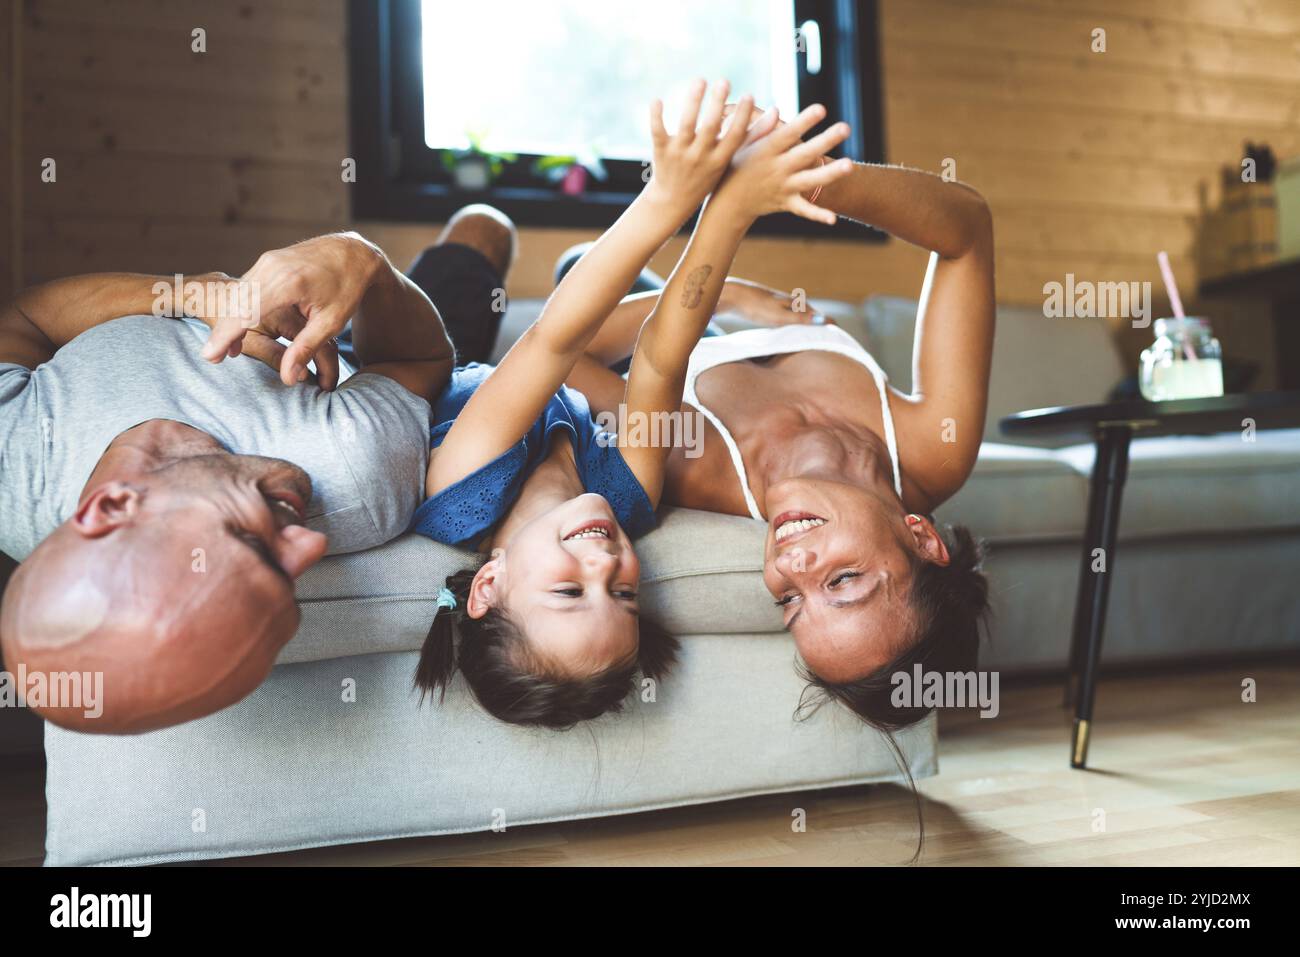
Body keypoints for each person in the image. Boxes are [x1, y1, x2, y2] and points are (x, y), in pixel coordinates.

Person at [409, 80, 854, 729]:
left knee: (486, 225)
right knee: (586, 275)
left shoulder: (461, 492)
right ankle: (584, 261)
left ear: (487, 584)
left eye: (569, 590)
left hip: (445, 355)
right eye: (622, 593)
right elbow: (656, 359)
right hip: (556, 370)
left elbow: (552, 340)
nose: (605, 563)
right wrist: (725, 215)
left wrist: (668, 196)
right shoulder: (628, 494)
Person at [567, 116, 996, 736]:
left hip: (642, 333)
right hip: (699, 304)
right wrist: (794, 178)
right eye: (842, 580)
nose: (791, 565)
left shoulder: (698, 467)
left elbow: (566, 352)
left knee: (581, 261)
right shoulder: (936, 450)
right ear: (923, 540)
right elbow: (966, 231)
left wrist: (730, 272)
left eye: (790, 601)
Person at [0, 229, 462, 733]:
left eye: (248, 540)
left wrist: (194, 295)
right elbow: (420, 360)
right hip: (364, 371)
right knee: (476, 242)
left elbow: (25, 319)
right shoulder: (352, 469)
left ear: (110, 507)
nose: (310, 544)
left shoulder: (14, 460)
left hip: (273, 311)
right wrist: (365, 263)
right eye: (290, 581)